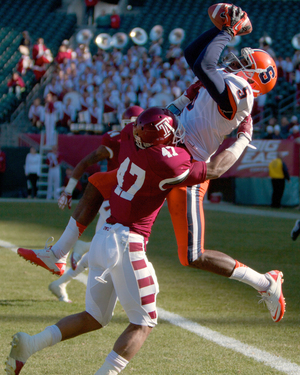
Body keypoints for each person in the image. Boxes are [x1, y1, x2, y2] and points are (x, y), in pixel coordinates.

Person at [17, 5, 284, 324]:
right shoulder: (226, 82)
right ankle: (59, 255)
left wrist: (228, 30)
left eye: (244, 63)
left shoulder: (241, 94)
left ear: (253, 78)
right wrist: (219, 29)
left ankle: (267, 283)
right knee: (102, 183)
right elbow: (192, 55)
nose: (236, 61)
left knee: (192, 256)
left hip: (188, 168)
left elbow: (204, 64)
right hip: (169, 150)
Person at [8, 107, 258, 375]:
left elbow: (151, 123)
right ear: (163, 136)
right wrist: (243, 137)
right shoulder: (168, 161)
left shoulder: (128, 135)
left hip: (103, 237)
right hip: (128, 243)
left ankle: (31, 344)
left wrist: (186, 98)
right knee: (144, 322)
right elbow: (215, 168)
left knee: (93, 317)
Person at [49, 106, 144, 303]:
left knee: (106, 248)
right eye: (130, 124)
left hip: (126, 198)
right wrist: (68, 190)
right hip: (110, 198)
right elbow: (84, 163)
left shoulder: (146, 142)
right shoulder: (115, 140)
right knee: (113, 246)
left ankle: (62, 281)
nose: (134, 129)